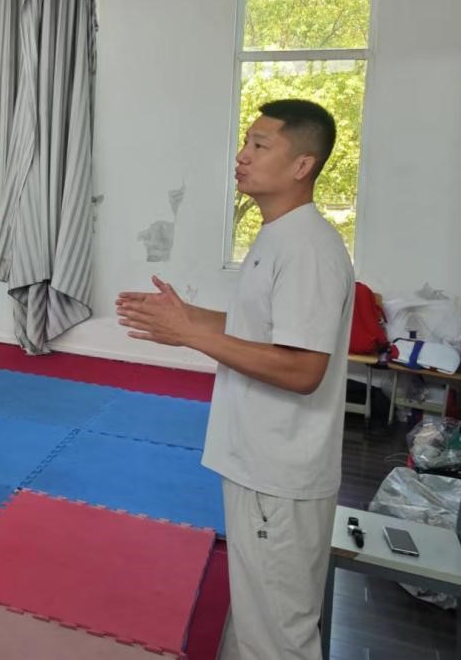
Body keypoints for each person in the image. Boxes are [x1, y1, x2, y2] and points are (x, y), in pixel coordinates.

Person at [116, 99, 354, 660]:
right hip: (258, 460)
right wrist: (189, 318)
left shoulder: (308, 248)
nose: (242, 156)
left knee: (279, 637)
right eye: (246, 142)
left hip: (279, 471)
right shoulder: (278, 236)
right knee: (257, 622)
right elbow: (262, 330)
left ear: (302, 165)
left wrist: (190, 336)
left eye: (260, 145)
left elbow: (303, 368)